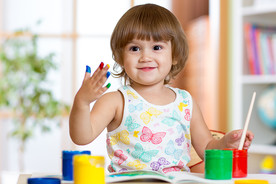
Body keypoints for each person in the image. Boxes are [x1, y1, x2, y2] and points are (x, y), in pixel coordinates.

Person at [69, 3, 254, 174]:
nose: (145, 57)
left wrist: (226, 142)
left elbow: (206, 148)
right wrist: (82, 102)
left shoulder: (185, 102)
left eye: (157, 47)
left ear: (174, 55)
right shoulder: (115, 101)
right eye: (135, 48)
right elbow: (81, 137)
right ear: (120, 56)